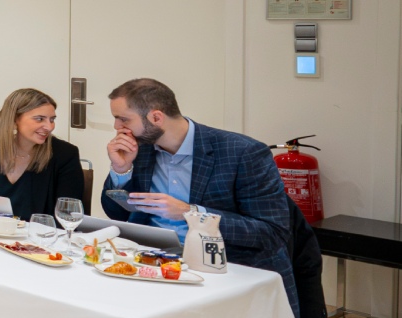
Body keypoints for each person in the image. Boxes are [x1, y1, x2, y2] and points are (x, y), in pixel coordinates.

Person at [102, 77, 297, 305]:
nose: (117, 127)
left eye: (123, 119)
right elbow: (117, 214)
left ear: (156, 117)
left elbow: (272, 233)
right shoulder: (140, 149)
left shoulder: (243, 152)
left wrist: (191, 213)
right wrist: (121, 170)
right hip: (152, 263)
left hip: (226, 269)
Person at [0, 88, 85, 220]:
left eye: (52, 119)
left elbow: (68, 215)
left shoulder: (65, 154)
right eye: (39, 119)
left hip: (36, 232)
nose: (49, 127)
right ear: (15, 118)